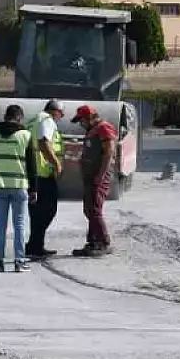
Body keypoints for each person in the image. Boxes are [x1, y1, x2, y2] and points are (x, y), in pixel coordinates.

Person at [0, 103, 33, 273]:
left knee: (0, 225)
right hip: (19, 185)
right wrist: (34, 189)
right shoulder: (25, 136)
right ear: (19, 118)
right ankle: (19, 261)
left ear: (5, 117)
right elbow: (32, 165)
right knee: (19, 224)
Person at [72, 104, 117, 257]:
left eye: (81, 120)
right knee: (89, 209)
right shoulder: (93, 130)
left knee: (95, 210)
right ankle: (93, 242)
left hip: (98, 176)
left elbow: (109, 152)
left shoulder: (104, 128)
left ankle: (104, 242)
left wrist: (101, 175)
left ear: (89, 117)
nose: (81, 124)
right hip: (90, 176)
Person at [24, 99, 65, 261]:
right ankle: (35, 245)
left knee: (35, 212)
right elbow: (43, 143)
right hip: (42, 173)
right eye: (61, 114)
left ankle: (35, 246)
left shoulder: (33, 120)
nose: (61, 117)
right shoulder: (47, 120)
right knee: (49, 210)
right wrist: (56, 164)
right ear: (55, 111)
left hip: (30, 172)